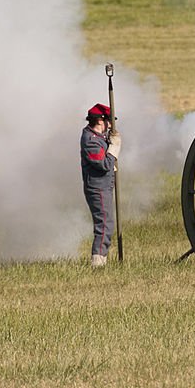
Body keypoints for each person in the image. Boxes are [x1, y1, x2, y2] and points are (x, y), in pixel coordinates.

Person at [80, 103, 121, 267]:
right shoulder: (90, 140)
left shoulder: (98, 137)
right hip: (97, 187)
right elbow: (103, 164)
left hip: (103, 185)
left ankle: (101, 259)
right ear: (99, 121)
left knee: (106, 223)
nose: (110, 125)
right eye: (108, 121)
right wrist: (113, 149)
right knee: (104, 224)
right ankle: (98, 262)